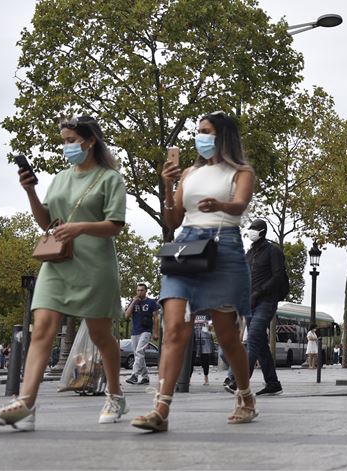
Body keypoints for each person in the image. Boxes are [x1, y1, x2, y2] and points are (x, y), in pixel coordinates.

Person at [0, 115, 128, 431]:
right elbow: (47, 222)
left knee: (102, 336)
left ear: (89, 142)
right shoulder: (60, 178)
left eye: (71, 140)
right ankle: (26, 404)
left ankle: (115, 394)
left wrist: (80, 227)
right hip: (58, 262)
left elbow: (115, 224)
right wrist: (30, 192)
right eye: (63, 141)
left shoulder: (110, 179)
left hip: (95, 266)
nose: (66, 146)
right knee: (42, 327)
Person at [131, 111, 257, 432]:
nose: (199, 136)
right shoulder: (188, 172)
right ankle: (161, 408)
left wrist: (220, 206)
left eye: (205, 131)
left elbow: (240, 205)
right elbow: (172, 221)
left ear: (223, 136)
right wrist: (169, 182)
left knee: (227, 338)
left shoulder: (241, 172)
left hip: (222, 246)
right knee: (175, 329)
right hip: (186, 247)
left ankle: (245, 395)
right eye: (197, 131)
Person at [240, 218, 287, 396]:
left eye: (254, 228)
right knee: (260, 344)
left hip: (266, 301)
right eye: (250, 228)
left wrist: (258, 292)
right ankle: (273, 383)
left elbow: (278, 277)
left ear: (262, 231)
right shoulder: (249, 253)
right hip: (249, 303)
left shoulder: (273, 252)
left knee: (253, 336)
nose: (251, 231)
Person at [124, 283, 160, 385]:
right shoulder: (134, 302)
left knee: (139, 352)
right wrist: (134, 302)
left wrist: (155, 332)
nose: (140, 292)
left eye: (142, 290)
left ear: (146, 291)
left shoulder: (151, 302)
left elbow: (156, 317)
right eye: (138, 290)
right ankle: (145, 377)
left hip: (146, 331)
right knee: (138, 355)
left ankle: (134, 375)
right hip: (135, 331)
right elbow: (126, 315)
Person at [191, 317, 215, 385]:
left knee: (205, 360)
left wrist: (208, 325)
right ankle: (188, 379)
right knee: (191, 359)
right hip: (194, 338)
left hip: (205, 338)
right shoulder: (193, 310)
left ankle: (206, 378)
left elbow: (211, 323)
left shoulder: (207, 312)